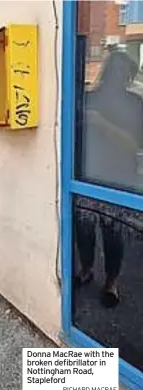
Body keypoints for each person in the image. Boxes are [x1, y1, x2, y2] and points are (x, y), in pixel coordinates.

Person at [75, 50, 143, 307]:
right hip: (85, 176)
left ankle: (112, 282)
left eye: (123, 72)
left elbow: (135, 144)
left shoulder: (135, 104)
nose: (117, 77)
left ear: (129, 76)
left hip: (118, 179)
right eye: (113, 70)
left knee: (113, 234)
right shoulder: (87, 98)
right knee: (84, 231)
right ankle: (86, 269)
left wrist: (101, 124)